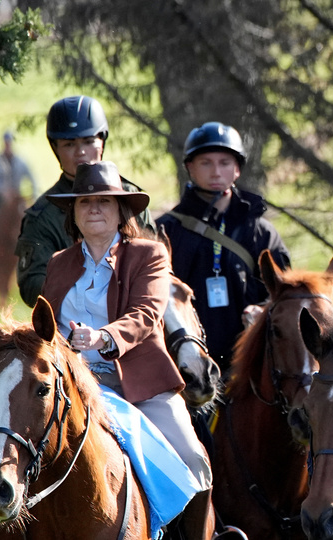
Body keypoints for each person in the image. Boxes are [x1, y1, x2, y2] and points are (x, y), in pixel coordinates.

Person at [41, 161, 211, 537]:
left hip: (141, 385)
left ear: (121, 211)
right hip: (69, 385)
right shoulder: (57, 264)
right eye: (85, 202)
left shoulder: (150, 254)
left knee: (193, 460)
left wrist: (103, 338)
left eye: (104, 201)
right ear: (73, 213)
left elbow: (146, 314)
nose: (94, 209)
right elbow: (45, 326)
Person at [157, 121, 290, 372]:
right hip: (185, 364)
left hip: (251, 365)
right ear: (190, 167)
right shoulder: (166, 230)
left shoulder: (261, 231)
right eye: (206, 163)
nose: (216, 172)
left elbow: (285, 294)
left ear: (237, 169)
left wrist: (263, 310)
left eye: (225, 163)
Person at [15, 95, 155, 308]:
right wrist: (85, 296)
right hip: (71, 319)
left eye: (88, 141)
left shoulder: (130, 198)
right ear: (56, 148)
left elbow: (157, 262)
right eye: (69, 144)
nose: (80, 152)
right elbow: (32, 285)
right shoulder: (42, 216)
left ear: (102, 142)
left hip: (134, 310)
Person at [0, 131, 36, 261]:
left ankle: (32, 252)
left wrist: (32, 194)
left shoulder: (21, 162)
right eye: (6, 142)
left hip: (16, 198)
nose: (8, 145)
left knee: (30, 220)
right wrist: (3, 191)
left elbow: (32, 179)